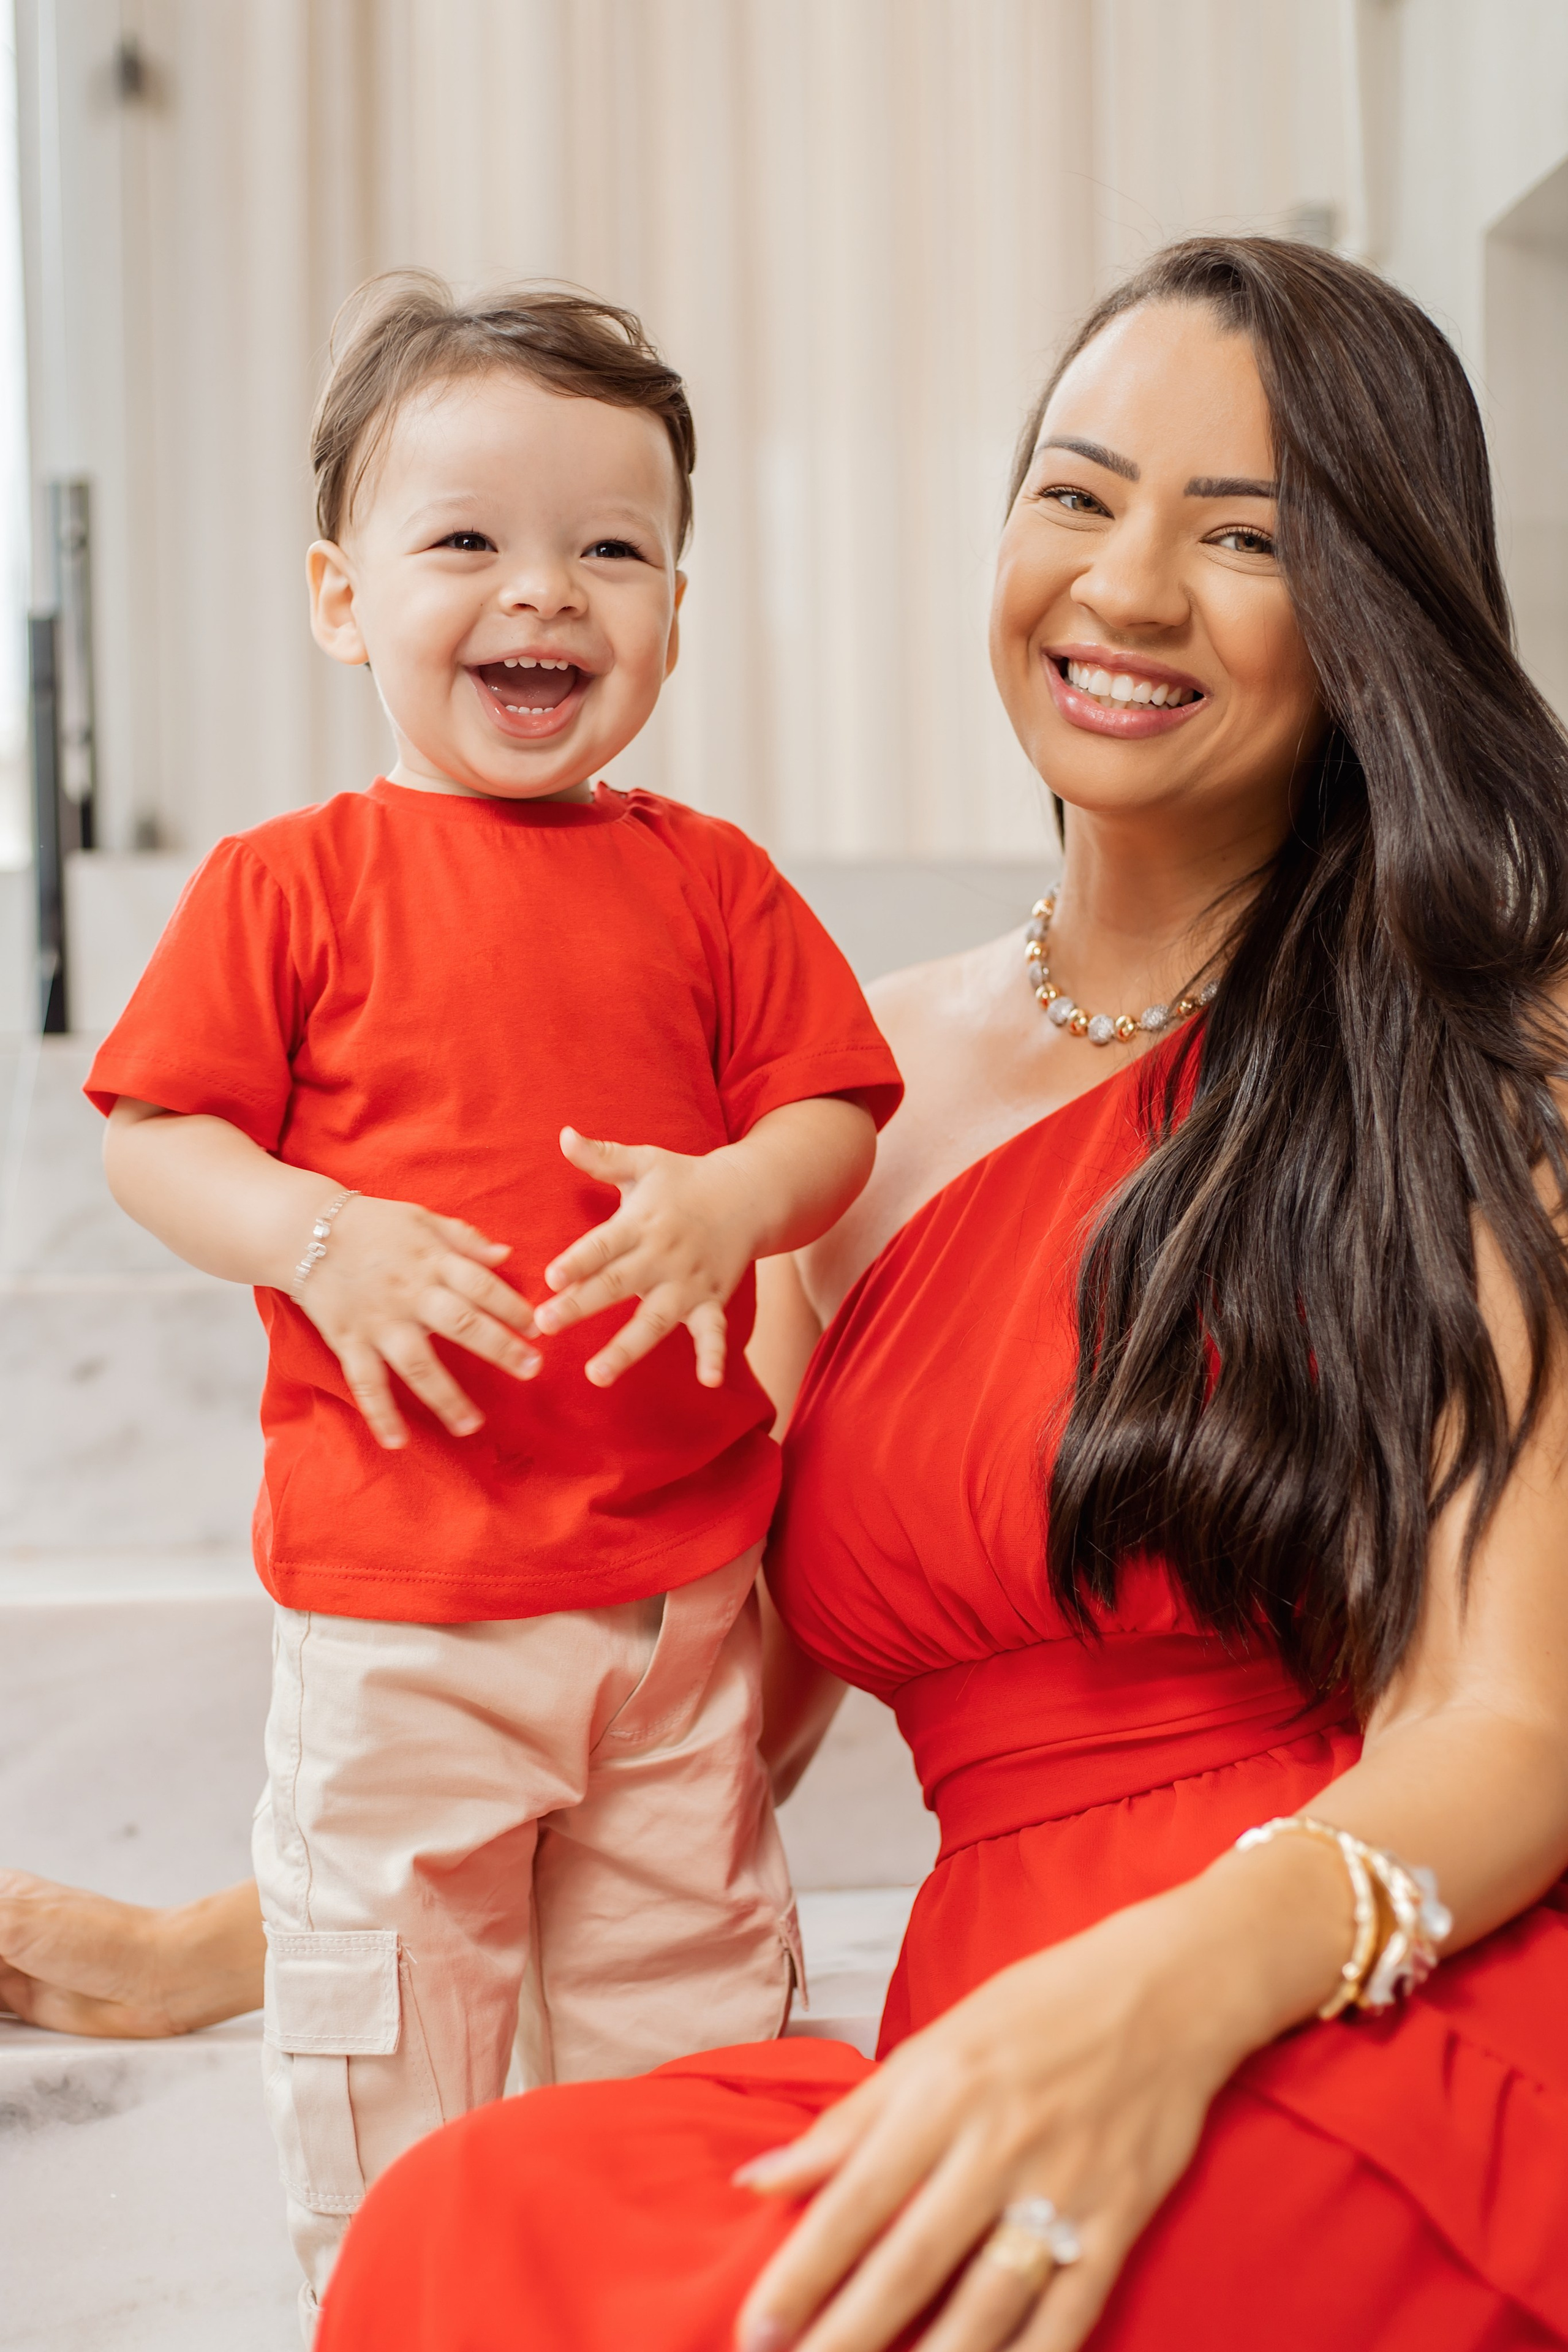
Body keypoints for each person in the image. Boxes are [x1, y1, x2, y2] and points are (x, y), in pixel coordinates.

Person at [293, 238, 1568, 2351]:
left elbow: (1513, 1727)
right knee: (471, 2226)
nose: (1126, 588)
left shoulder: (1486, 1047)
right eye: (1076, 495)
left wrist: (1155, 2007)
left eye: (1244, 537)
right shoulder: (833, 1100)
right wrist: (262, 1927)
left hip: (1357, 2000)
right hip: (980, 2037)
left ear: (1373, 617)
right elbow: (671, 1712)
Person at [78, 274, 901, 2332]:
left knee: (685, 2015)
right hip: (403, 1615)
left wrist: (732, 1199)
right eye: (467, 540)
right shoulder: (291, 882)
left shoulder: (710, 882)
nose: (545, 591)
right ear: (341, 599)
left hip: (672, 1609)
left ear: (675, 613)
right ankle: (406, 2303)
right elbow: (156, 1139)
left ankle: (659, 2298)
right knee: (392, 2032)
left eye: (610, 550)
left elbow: (832, 1115)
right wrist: (316, 1237)